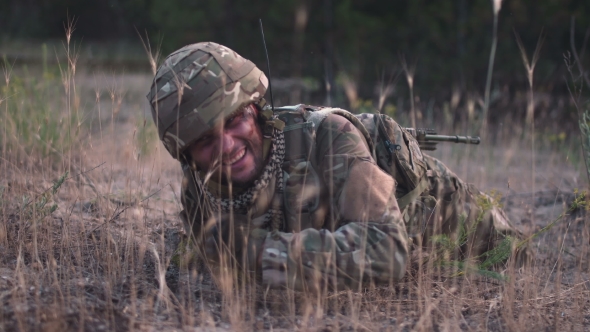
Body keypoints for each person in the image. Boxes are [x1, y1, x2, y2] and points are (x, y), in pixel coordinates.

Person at [147, 42, 525, 291]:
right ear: (186, 152)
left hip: (473, 239)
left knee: (519, 255)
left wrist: (266, 253)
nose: (225, 146)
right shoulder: (198, 180)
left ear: (256, 111)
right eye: (204, 140)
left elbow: (389, 251)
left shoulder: (327, 137)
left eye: (234, 121)